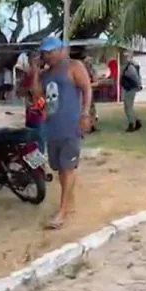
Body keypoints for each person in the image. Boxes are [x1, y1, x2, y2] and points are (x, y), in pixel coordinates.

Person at [31, 37, 92, 229]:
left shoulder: (74, 66)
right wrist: (34, 71)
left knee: (68, 168)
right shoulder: (45, 74)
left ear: (61, 50)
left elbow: (87, 88)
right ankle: (69, 204)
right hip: (52, 127)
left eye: (50, 52)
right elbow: (37, 97)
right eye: (44, 53)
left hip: (70, 125)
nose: (46, 56)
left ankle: (62, 212)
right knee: (60, 169)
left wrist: (85, 113)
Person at [120, 51, 142, 132]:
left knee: (128, 107)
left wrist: (137, 85)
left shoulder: (130, 66)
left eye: (125, 56)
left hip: (130, 89)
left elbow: (135, 78)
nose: (124, 58)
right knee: (128, 107)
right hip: (129, 88)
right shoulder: (130, 66)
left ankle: (132, 124)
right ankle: (136, 121)